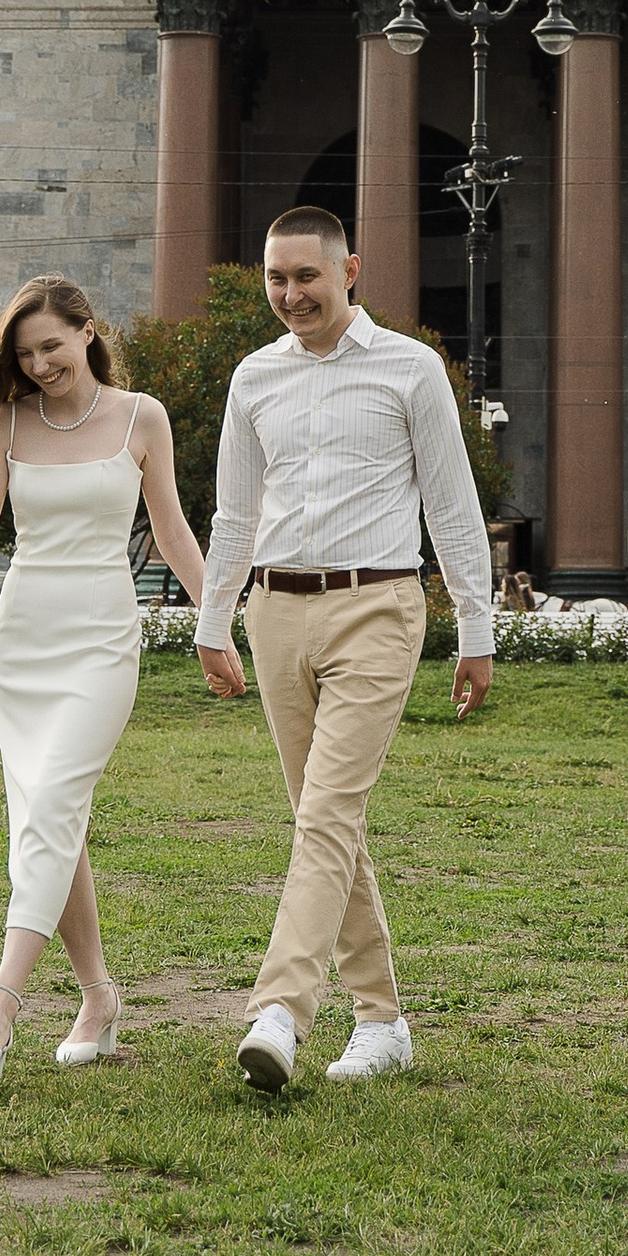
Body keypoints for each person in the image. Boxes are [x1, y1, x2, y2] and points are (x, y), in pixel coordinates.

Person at [199, 206, 494, 1090]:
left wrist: (476, 630)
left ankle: (280, 1010)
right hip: (275, 612)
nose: (291, 295)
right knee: (325, 822)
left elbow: (451, 505)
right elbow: (234, 514)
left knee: (326, 816)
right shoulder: (253, 378)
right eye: (276, 279)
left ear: (350, 270)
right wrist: (214, 621)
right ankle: (384, 1021)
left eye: (307, 277)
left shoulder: (411, 370)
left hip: (379, 609)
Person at [0, 273, 204, 1079]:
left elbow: (171, 531)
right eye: (24, 355)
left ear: (88, 333)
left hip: (102, 639)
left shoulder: (143, 418)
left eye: (51, 347)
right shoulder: (7, 422)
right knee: (48, 822)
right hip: (21, 643)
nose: (39, 365)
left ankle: (0, 1006)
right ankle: (98, 999)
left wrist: (217, 623)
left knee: (53, 805)